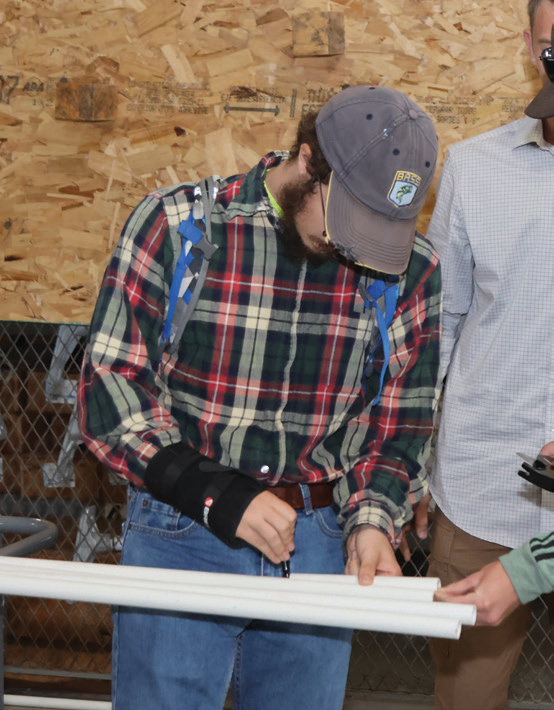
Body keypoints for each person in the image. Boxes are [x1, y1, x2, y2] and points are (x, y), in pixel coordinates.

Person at [78, 84, 441, 710]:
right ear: (307, 160)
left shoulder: (412, 272)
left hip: (321, 540)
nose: (357, 248)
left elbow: (398, 426)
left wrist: (373, 520)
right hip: (181, 531)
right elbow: (111, 392)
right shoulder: (178, 228)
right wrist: (216, 494)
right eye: (350, 220)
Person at [422, 2, 554, 708]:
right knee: (465, 701)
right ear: (530, 47)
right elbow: (439, 325)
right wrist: (410, 464)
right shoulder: (473, 170)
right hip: (483, 493)